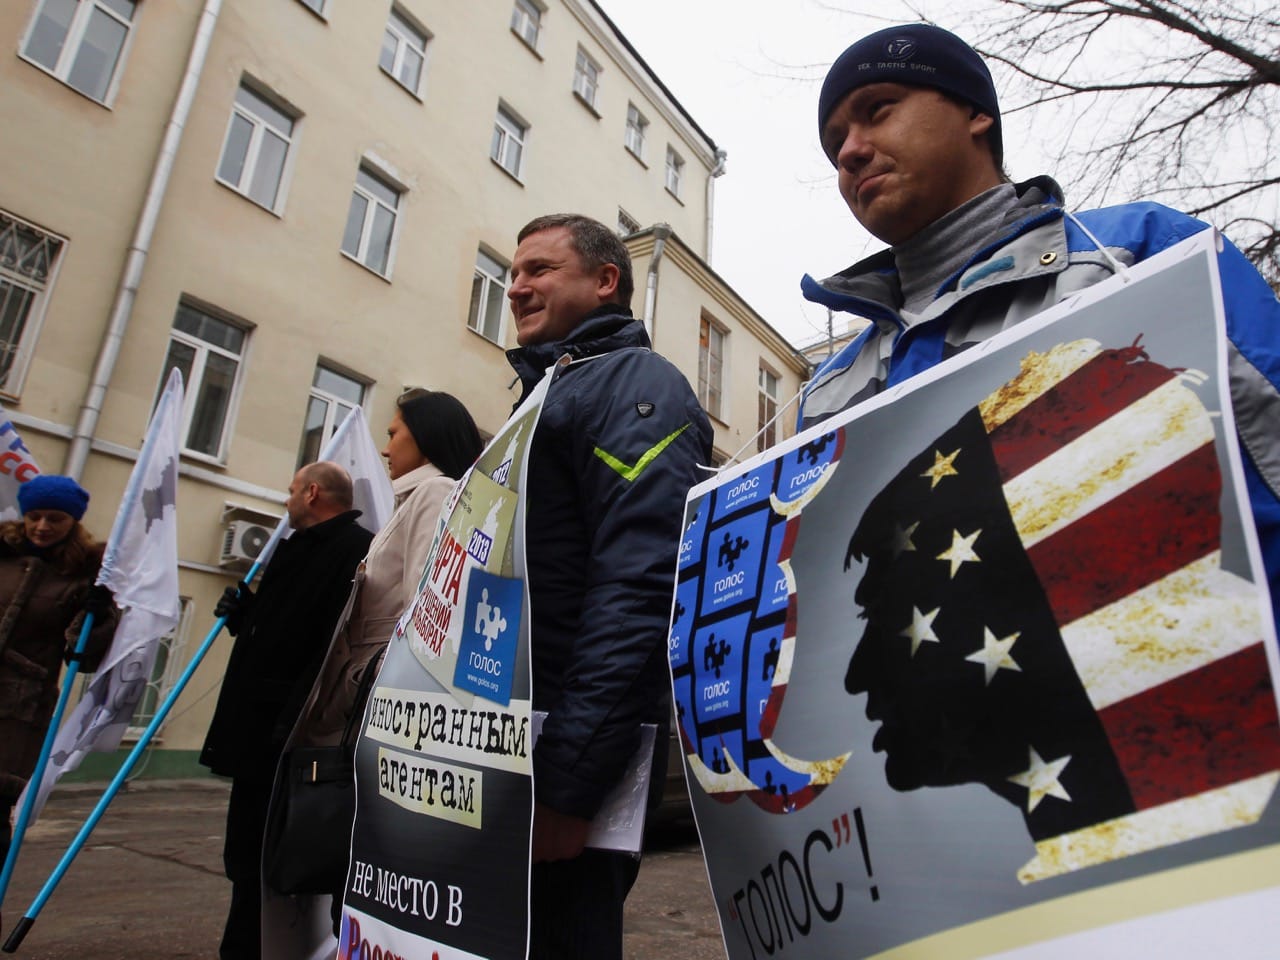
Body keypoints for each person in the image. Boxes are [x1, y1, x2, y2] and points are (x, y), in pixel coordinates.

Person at [801, 23, 1279, 628]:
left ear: (976, 113)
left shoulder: (1140, 254)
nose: (850, 151)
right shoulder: (826, 392)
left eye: (878, 110)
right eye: (835, 141)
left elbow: (1269, 461)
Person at [505, 213, 713, 959]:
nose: (516, 285)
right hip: (507, 752)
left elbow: (639, 587)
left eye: (538, 269)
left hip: (560, 772)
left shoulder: (634, 384)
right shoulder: (544, 394)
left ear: (603, 281)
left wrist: (569, 785)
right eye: (514, 271)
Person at [289, 389, 482, 925]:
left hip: (379, 712)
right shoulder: (410, 500)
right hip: (362, 705)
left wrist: (368, 678)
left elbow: (430, 609)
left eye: (395, 431)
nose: (386, 443)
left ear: (424, 436)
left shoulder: (437, 492)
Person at [200, 461, 373, 960]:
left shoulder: (353, 550)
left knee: (270, 865)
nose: (287, 499)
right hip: (257, 734)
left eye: (292, 490)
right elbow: (282, 634)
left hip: (285, 738)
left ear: (312, 492)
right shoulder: (294, 549)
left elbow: (326, 644)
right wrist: (247, 617)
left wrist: (290, 722)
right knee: (244, 861)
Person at [0, 475, 117, 862]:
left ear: (73, 523)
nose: (42, 527)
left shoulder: (85, 574)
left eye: (55, 519)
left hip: (18, 713)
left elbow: (83, 658)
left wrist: (98, 619)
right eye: (34, 516)